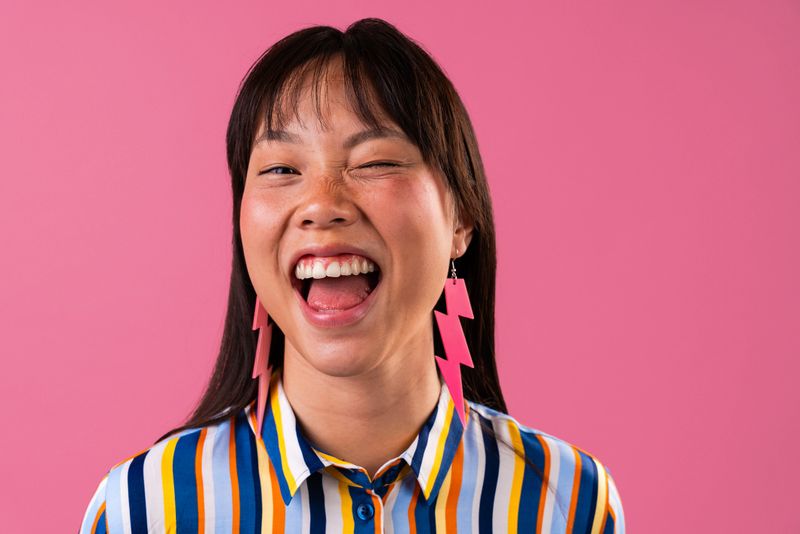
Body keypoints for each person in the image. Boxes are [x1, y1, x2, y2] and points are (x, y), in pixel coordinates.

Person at [79, 17, 625, 533]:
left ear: (461, 218)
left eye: (374, 163)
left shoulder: (566, 500)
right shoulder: (144, 506)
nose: (322, 204)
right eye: (281, 169)